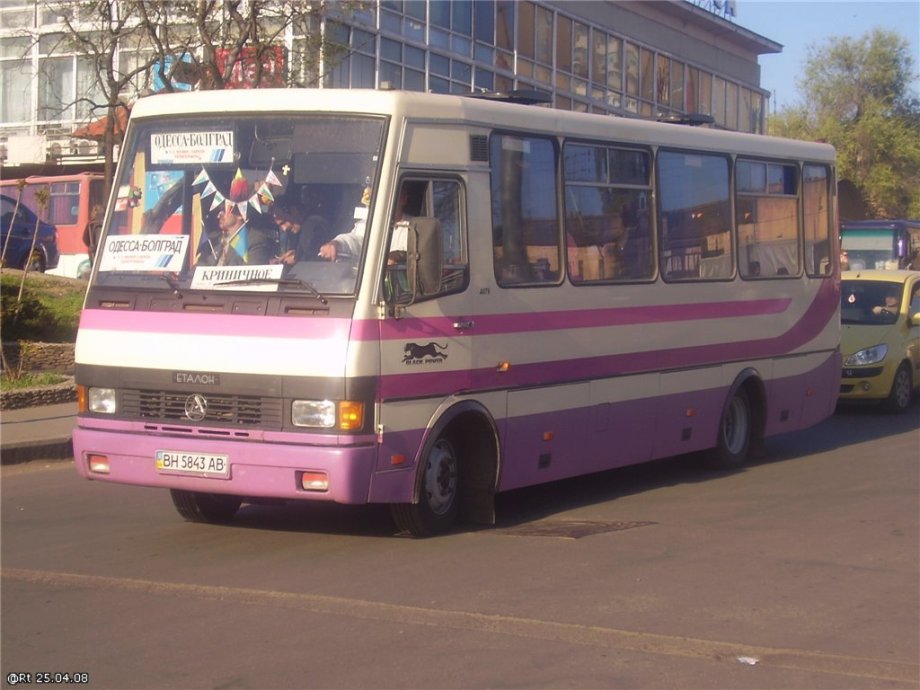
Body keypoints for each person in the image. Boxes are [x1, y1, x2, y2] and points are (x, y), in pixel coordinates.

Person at [198, 205, 274, 266]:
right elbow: (198, 268)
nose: (219, 215)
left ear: (240, 214)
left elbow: (251, 274)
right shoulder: (213, 240)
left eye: (224, 210)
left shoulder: (254, 239)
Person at [271, 195, 328, 265]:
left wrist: (296, 258)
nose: (284, 229)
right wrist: (295, 253)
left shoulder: (312, 224)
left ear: (294, 211)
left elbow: (312, 256)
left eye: (284, 222)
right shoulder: (301, 230)